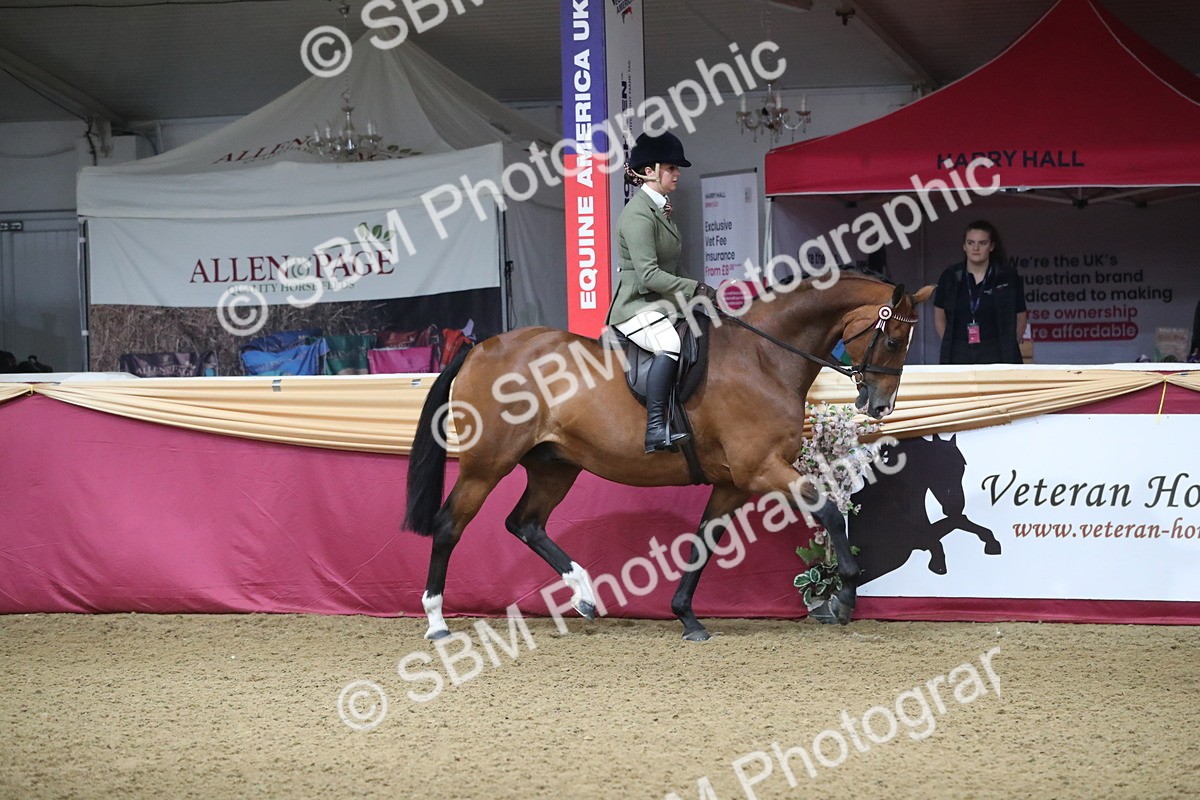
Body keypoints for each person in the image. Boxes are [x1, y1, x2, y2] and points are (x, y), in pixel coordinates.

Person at [607, 131, 715, 453]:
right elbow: (651, 275)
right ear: (649, 171)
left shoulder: (663, 209)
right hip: (636, 304)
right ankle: (655, 428)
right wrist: (694, 287)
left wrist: (701, 295)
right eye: (671, 168)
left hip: (660, 302)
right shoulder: (638, 215)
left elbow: (674, 267)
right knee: (668, 343)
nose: (677, 174)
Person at [934, 220, 1027, 365]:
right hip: (959, 351)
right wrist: (949, 343)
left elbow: (1021, 316)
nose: (975, 248)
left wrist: (1008, 346)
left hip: (997, 351)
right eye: (970, 243)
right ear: (964, 246)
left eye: (982, 243)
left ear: (992, 246)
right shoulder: (950, 276)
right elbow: (939, 314)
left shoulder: (1007, 276)